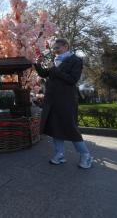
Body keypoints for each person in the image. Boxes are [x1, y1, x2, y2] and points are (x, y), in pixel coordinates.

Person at [34, 38, 93, 169]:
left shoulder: (75, 60)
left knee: (70, 127)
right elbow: (44, 73)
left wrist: (55, 70)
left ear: (66, 46)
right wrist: (38, 64)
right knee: (55, 127)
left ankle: (85, 155)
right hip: (52, 99)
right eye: (54, 48)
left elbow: (73, 79)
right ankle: (59, 154)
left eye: (57, 48)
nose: (55, 51)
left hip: (66, 100)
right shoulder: (56, 61)